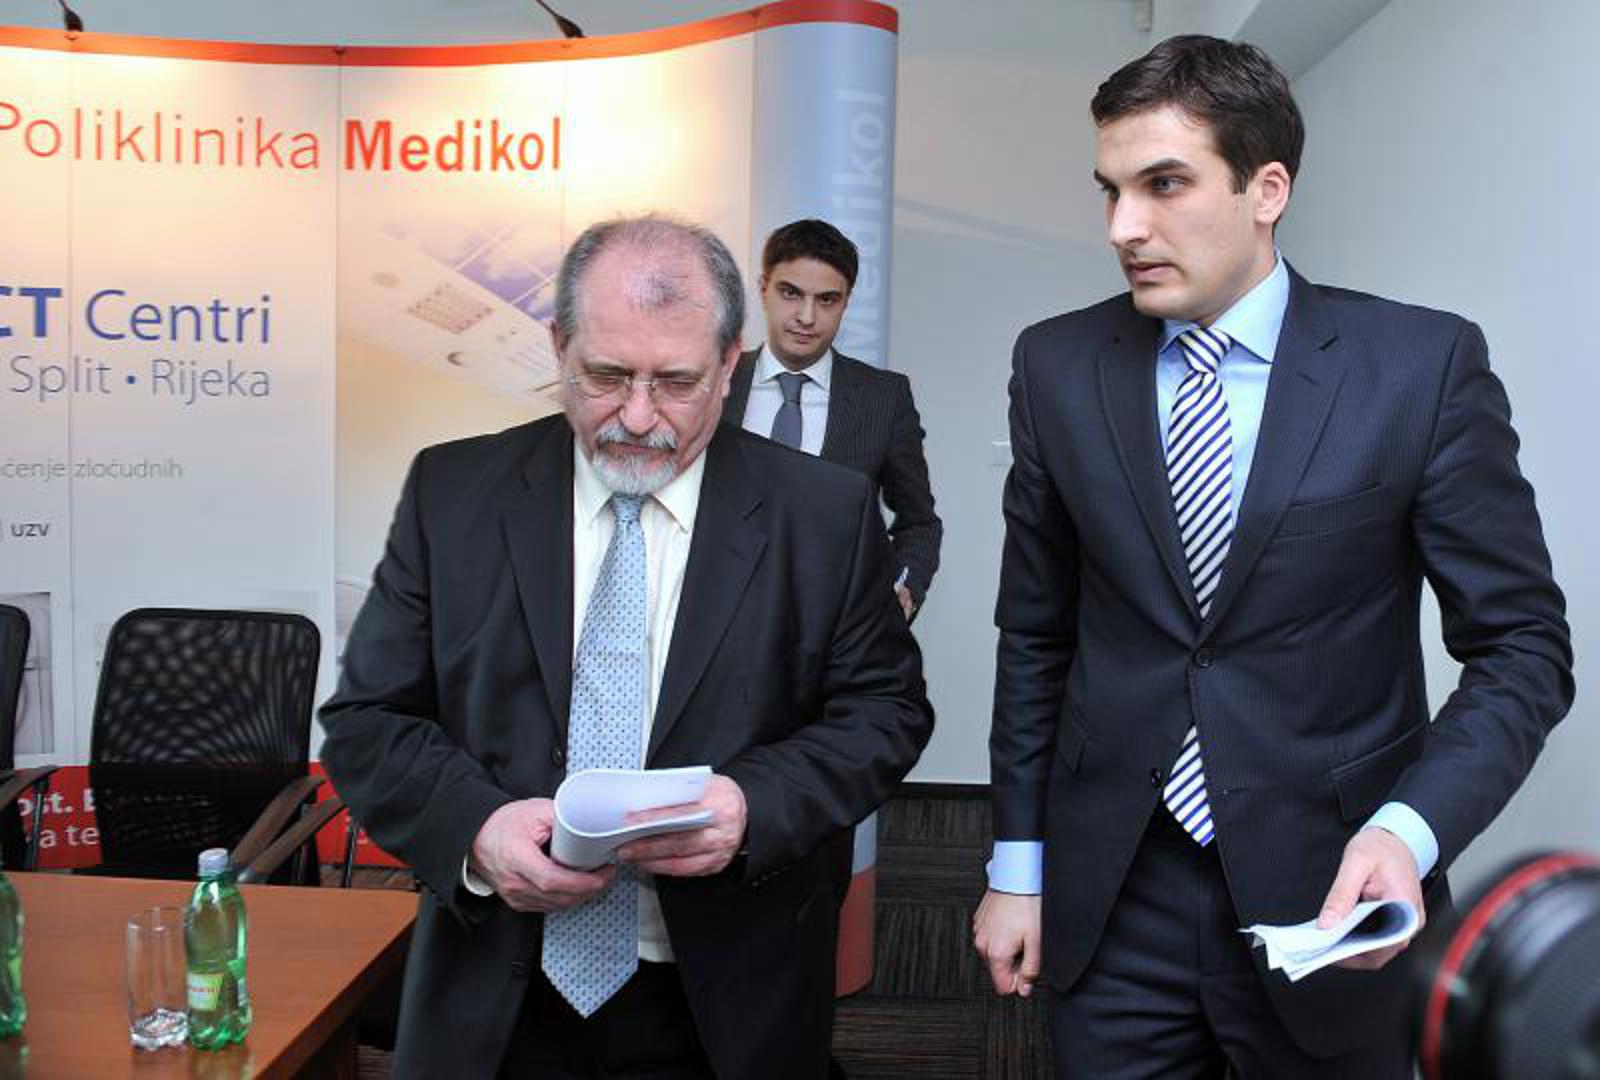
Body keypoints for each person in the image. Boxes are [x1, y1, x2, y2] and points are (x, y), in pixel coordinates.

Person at [972, 34, 1572, 1077]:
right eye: (1111, 190)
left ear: (1267, 189)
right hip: (1114, 889)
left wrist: (1409, 832)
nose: (1123, 227)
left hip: (1336, 898)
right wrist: (1016, 864)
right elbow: (1035, 634)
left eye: (1164, 184)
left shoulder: (1418, 368)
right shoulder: (1058, 366)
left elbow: (1522, 647)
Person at [320, 215, 934, 1079]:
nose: (638, 418)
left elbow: (885, 713)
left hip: (727, 997)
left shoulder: (823, 514)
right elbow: (368, 721)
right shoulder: (452, 493)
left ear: (729, 364)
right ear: (559, 346)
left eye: (677, 383)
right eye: (606, 376)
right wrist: (479, 831)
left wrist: (753, 807)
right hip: (498, 991)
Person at [723, 218, 941, 622]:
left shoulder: (883, 398)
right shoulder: (716, 384)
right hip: (721, 617)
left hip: (838, 629)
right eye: (791, 293)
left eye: (826, 300)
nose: (807, 316)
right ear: (763, 288)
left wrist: (903, 589)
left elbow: (919, 523)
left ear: (846, 302)